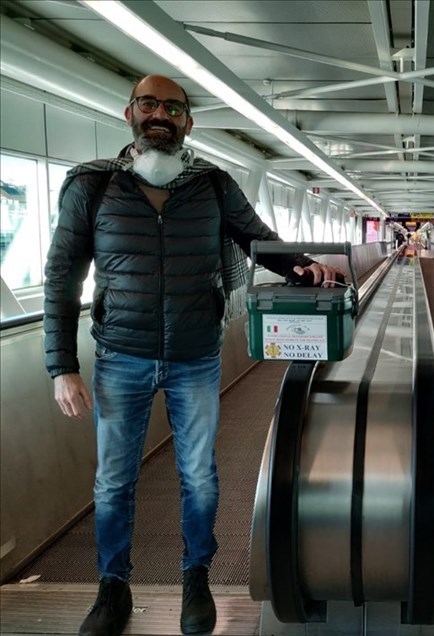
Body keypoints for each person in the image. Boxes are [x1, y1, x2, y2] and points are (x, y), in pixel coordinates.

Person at [43, 75, 344, 636]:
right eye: (150, 104)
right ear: (130, 113)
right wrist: (62, 365)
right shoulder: (92, 185)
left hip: (194, 355)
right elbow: (63, 275)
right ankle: (113, 589)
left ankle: (196, 578)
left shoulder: (212, 184)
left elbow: (259, 239)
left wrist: (308, 266)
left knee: (200, 478)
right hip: (119, 357)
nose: (162, 113)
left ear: (188, 122)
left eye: (174, 107)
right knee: (114, 481)